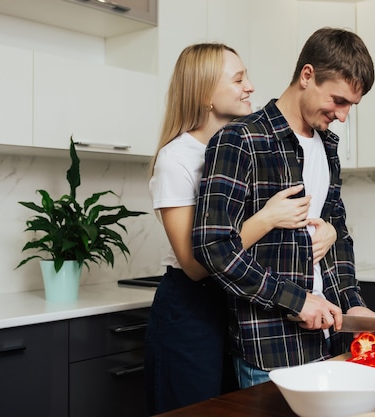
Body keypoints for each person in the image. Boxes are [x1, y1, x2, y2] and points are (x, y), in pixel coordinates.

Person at [144, 43, 338, 414]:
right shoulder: (176, 160)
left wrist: (326, 229)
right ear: (204, 94)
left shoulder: (248, 143)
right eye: (238, 79)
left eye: (246, 76)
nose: (250, 86)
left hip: (240, 303)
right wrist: (266, 218)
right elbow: (196, 264)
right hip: (192, 309)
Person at [192, 28, 375, 389]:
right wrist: (297, 302)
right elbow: (213, 246)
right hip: (269, 351)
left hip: (327, 340)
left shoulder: (328, 146)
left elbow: (337, 235)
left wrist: (354, 304)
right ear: (307, 75)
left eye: (351, 106)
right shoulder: (241, 140)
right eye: (338, 101)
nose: (343, 116)